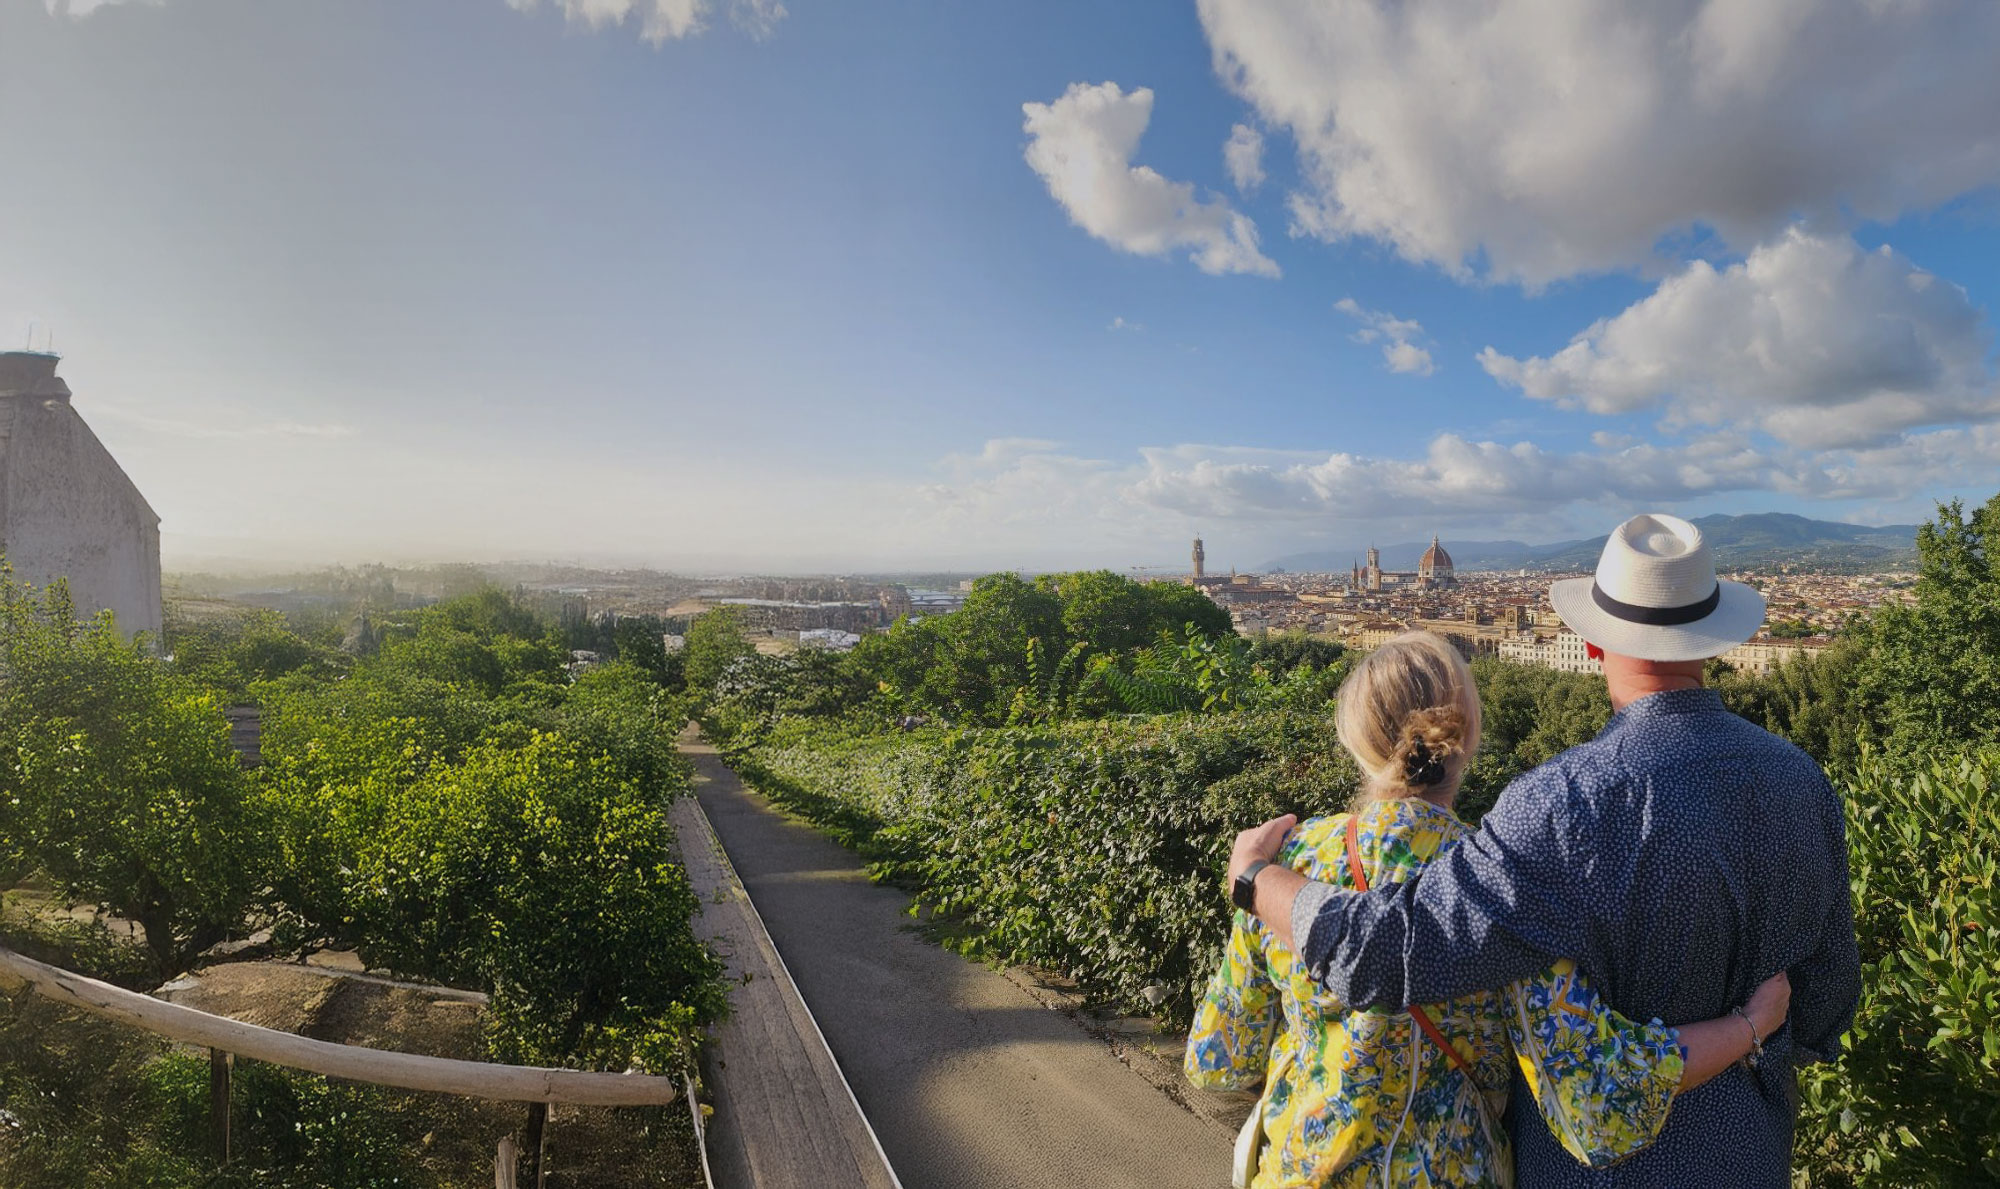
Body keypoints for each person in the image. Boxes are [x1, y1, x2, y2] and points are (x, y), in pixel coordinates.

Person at [1226, 514, 1862, 1186]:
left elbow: (1388, 953)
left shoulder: (1562, 803)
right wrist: (1751, 1028)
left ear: (1591, 644)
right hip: (1750, 1153)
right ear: (1712, 639)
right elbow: (1827, 1001)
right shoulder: (1802, 781)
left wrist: (1254, 878)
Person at [1189, 631, 1789, 1188]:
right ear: (1467, 734)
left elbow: (1219, 1056)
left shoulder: (1277, 866)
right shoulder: (1504, 876)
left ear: (1355, 738)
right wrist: (1750, 1026)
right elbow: (1596, 1090)